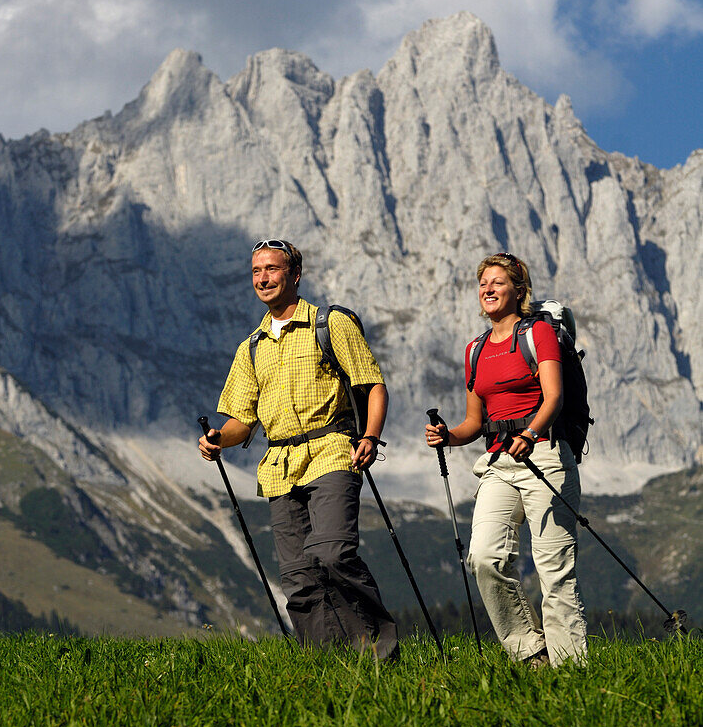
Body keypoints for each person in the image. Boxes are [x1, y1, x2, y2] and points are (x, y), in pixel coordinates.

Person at [199, 239, 399, 660]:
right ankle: (326, 665)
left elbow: (372, 385)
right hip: (278, 466)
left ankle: (378, 653)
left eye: (272, 269)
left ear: (294, 275)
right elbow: (242, 421)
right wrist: (219, 438)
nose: (263, 278)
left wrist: (370, 437)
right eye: (256, 271)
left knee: (332, 553)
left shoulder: (330, 323)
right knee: (298, 577)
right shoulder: (250, 346)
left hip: (332, 450)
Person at [425, 253, 587, 667]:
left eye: (498, 282)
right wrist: (447, 436)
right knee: (483, 556)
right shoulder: (475, 349)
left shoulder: (538, 335)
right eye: (483, 283)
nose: (488, 289)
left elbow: (554, 397)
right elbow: (473, 424)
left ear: (519, 290)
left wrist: (531, 433)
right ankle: (530, 653)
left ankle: (571, 672)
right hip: (499, 462)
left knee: (555, 573)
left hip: (547, 455)